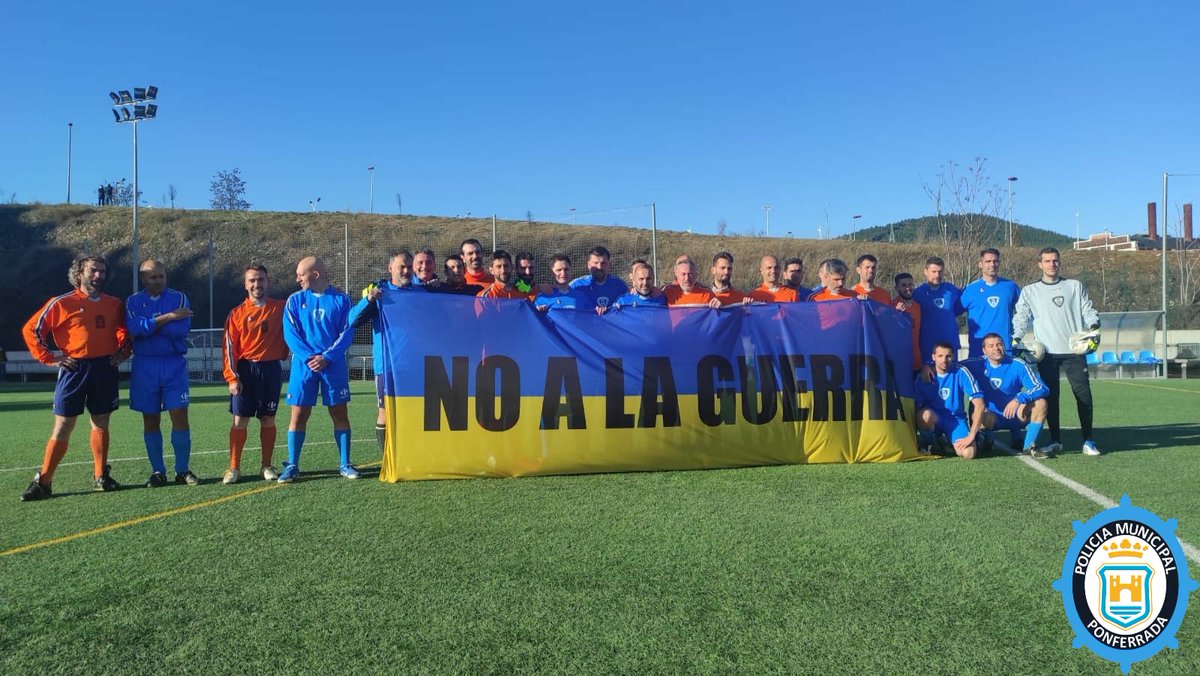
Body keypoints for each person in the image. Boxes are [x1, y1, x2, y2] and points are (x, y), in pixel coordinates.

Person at [20, 255, 130, 500]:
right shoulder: (61, 303)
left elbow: (125, 330)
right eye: (93, 271)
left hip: (105, 367)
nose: (98, 276)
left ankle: (101, 475)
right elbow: (32, 329)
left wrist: (124, 351)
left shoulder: (114, 304)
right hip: (74, 367)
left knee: (101, 420)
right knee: (64, 424)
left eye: (102, 271)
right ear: (79, 273)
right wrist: (49, 357)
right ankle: (44, 481)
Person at [1012, 247, 1102, 456]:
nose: (1052, 264)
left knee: (1084, 395)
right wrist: (1016, 337)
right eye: (1047, 261)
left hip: (1074, 351)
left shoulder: (1074, 286)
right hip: (1047, 354)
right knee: (1051, 398)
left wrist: (1094, 326)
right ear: (1039, 264)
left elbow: (1087, 309)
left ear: (1059, 263)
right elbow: (1021, 316)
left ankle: (1088, 440)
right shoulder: (1030, 291)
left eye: (1055, 261)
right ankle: (1056, 441)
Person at [280, 256, 359, 483]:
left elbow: (346, 334)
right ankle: (292, 464)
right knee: (298, 414)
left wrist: (327, 357)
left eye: (300, 275)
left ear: (314, 275)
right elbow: (290, 335)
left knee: (339, 413)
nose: (297, 279)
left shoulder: (341, 301)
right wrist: (309, 358)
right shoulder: (294, 301)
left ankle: (345, 463)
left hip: (332, 366)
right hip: (304, 366)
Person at [126, 259, 198, 487]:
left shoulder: (179, 298)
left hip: (173, 364)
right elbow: (134, 329)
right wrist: (167, 318)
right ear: (144, 279)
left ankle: (182, 470)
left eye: (161, 276)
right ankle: (158, 471)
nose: (158, 281)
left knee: (179, 415)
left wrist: (150, 327)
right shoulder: (133, 302)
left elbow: (181, 329)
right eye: (153, 277)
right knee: (150, 419)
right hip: (145, 366)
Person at [221, 265, 287, 484]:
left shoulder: (281, 307)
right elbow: (229, 348)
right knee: (240, 419)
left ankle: (266, 465)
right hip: (245, 370)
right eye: (252, 280)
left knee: (268, 418)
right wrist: (232, 377)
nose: (256, 284)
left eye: (260, 279)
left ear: (268, 282)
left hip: (271, 370)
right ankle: (233, 467)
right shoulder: (237, 314)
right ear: (245, 284)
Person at [349, 251, 421, 454]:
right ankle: (388, 459)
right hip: (388, 366)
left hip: (416, 365)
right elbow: (352, 321)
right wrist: (369, 300)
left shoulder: (420, 293)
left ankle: (412, 454)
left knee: (416, 410)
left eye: (409, 266)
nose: (406, 270)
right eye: (401, 266)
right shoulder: (380, 293)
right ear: (391, 268)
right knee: (386, 412)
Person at [962, 332, 1050, 458]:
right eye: (991, 346)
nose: (996, 348)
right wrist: (929, 367)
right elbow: (951, 367)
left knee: (1041, 403)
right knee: (978, 407)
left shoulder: (1017, 364)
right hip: (991, 417)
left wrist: (1019, 398)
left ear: (1004, 346)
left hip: (1016, 414)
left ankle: (1029, 446)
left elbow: (1042, 387)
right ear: (984, 350)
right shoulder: (975, 364)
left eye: (999, 344)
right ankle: (986, 438)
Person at [914, 342, 984, 459]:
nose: (944, 360)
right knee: (924, 415)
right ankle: (931, 442)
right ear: (933, 357)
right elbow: (915, 406)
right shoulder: (924, 375)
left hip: (955, 419)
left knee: (968, 454)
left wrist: (971, 435)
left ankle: (949, 440)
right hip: (934, 417)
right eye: (940, 356)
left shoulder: (961, 372)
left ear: (954, 357)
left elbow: (980, 404)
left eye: (948, 356)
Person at [959, 248, 1021, 359]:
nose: (992, 264)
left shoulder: (1010, 287)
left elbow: (1025, 312)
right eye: (988, 261)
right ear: (980, 264)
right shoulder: (969, 290)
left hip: (1005, 349)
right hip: (978, 351)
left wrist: (1018, 337)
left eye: (995, 261)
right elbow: (950, 314)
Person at [913, 256, 963, 361]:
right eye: (934, 271)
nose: (937, 275)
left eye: (940, 271)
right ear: (925, 272)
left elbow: (959, 309)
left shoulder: (951, 290)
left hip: (950, 346)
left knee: (951, 375)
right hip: (928, 348)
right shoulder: (918, 293)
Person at [570, 245, 628, 314]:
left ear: (609, 265)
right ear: (588, 265)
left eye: (603, 263)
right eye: (596, 263)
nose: (599, 267)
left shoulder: (620, 285)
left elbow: (631, 304)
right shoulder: (576, 285)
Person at [892, 273, 923, 374]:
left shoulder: (918, 307)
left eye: (910, 284)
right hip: (899, 363)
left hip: (917, 362)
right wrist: (895, 314)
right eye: (904, 285)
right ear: (896, 288)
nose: (908, 288)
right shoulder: (891, 307)